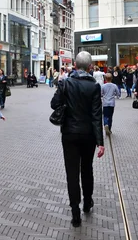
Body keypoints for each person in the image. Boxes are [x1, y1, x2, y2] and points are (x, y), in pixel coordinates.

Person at [50, 51, 104, 228]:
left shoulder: (65, 83)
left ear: (74, 65)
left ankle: (75, 213)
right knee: (87, 169)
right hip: (88, 135)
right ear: (90, 67)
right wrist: (100, 142)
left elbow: (54, 104)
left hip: (69, 134)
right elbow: (97, 116)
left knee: (72, 173)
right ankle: (87, 203)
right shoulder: (94, 86)